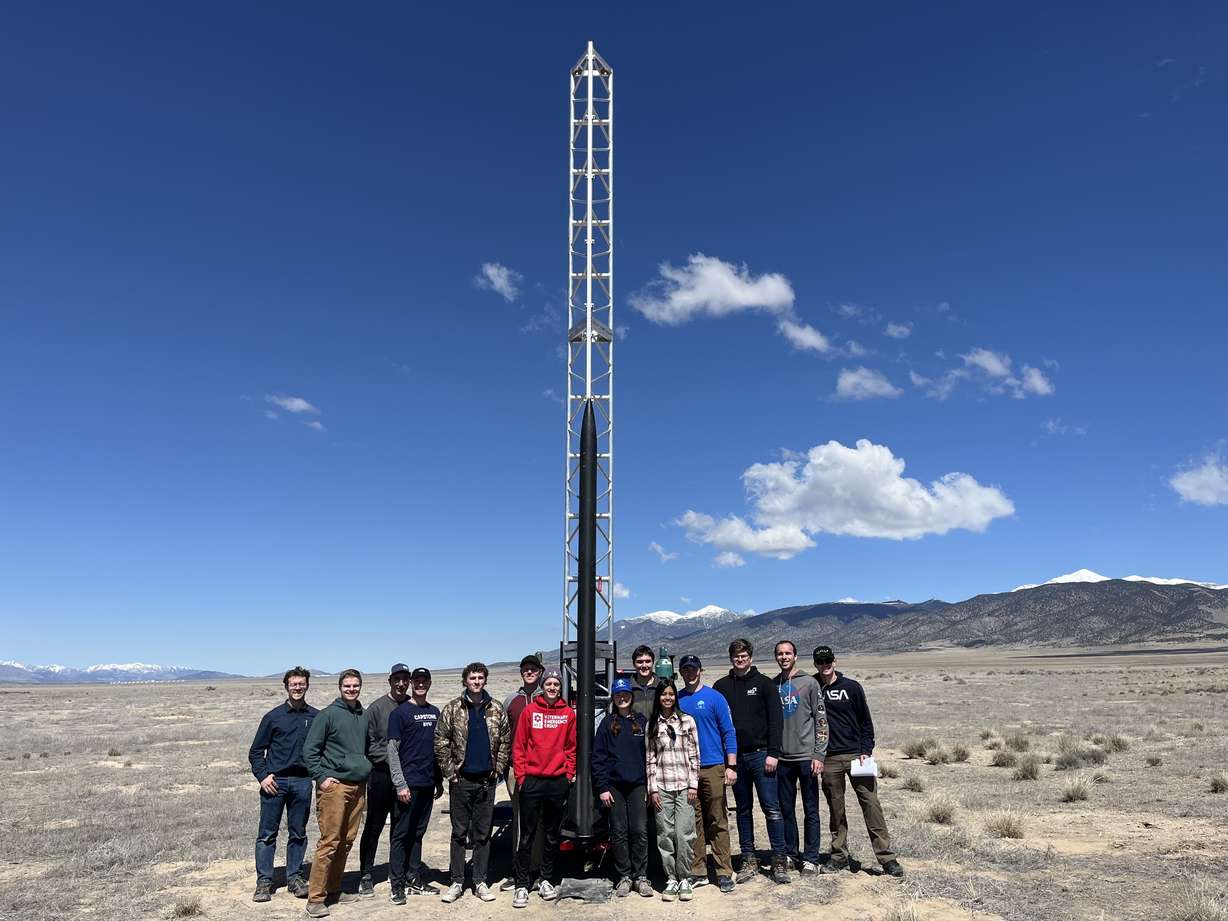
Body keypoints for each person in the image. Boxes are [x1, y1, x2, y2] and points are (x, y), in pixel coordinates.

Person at [813, 645, 904, 878]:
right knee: (836, 809)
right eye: (820, 662)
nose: (825, 665)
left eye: (828, 661)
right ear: (815, 664)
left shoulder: (851, 687)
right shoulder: (813, 687)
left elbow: (865, 721)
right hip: (829, 758)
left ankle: (886, 857)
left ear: (835, 662)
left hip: (856, 756)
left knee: (871, 805)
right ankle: (838, 856)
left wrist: (866, 749)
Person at [434, 662, 511, 903]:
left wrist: (497, 770)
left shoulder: (496, 709)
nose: (476, 682)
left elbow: (505, 742)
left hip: (486, 782)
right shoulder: (453, 709)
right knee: (459, 833)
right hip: (461, 780)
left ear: (485, 681)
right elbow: (440, 740)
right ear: (465, 681)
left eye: (480, 678)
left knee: (482, 834)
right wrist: (450, 772)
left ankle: (480, 881)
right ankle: (457, 880)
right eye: (472, 678)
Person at [714, 638, 789, 884]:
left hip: (761, 755)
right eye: (736, 656)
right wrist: (727, 761)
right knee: (743, 810)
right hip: (736, 758)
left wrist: (773, 753)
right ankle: (749, 859)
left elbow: (776, 721)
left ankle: (779, 860)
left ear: (751, 657)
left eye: (744, 655)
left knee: (771, 807)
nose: (740, 659)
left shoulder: (765, 684)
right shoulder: (721, 686)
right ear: (731, 658)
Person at [301, 669, 372, 918]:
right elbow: (310, 750)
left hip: (358, 786)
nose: (351, 689)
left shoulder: (363, 715)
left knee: (347, 840)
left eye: (355, 685)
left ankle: (334, 888)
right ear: (340, 688)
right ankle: (315, 898)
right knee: (329, 841)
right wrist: (321, 777)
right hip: (335, 787)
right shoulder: (328, 715)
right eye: (347, 686)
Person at [248, 666, 319, 902]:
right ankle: (264, 882)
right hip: (274, 783)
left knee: (298, 833)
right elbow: (256, 751)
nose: (297, 687)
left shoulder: (315, 717)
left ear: (307, 685)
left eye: (301, 684)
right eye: (293, 684)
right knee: (267, 834)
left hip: (302, 782)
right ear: (286, 687)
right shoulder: (273, 717)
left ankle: (295, 878)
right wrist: (263, 776)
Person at [510, 667, 577, 908]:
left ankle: (546, 879)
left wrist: (568, 774)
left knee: (551, 834)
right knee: (526, 835)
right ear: (543, 686)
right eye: (548, 684)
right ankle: (521, 884)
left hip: (557, 782)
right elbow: (519, 746)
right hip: (532, 781)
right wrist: (522, 777)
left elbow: (572, 747)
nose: (552, 688)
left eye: (556, 685)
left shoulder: (568, 713)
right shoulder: (530, 711)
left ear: (560, 688)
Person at [677, 654, 738, 893]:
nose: (690, 673)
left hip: (713, 766)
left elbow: (728, 732)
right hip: (687, 769)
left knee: (717, 819)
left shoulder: (715, 698)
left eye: (693, 669)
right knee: (693, 821)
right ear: (681, 673)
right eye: (685, 670)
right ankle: (698, 870)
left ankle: (724, 870)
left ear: (700, 670)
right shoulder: (678, 699)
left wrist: (731, 765)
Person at [591, 677, 653, 898]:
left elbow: (650, 755)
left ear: (631, 696)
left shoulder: (642, 721)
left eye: (625, 694)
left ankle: (641, 877)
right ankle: (624, 877)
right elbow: (598, 758)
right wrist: (603, 787)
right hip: (614, 787)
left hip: (638, 785)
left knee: (639, 831)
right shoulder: (607, 724)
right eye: (618, 695)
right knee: (619, 832)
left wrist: (649, 785)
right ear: (614, 698)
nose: (622, 697)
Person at [386, 667, 443, 903]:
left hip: (427, 783)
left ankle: (413, 878)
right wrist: (400, 784)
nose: (420, 684)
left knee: (418, 833)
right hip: (407, 785)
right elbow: (392, 750)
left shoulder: (434, 712)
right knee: (401, 834)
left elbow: (437, 750)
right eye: (416, 681)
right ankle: (396, 884)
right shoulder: (400, 714)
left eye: (424, 681)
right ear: (411, 684)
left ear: (429, 683)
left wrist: (438, 780)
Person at [772, 640, 828, 875]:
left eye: (788, 653)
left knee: (810, 809)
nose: (784, 657)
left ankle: (811, 858)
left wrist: (819, 754)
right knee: (786, 810)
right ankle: (790, 853)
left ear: (795, 656)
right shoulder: (773, 685)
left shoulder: (810, 683)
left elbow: (821, 720)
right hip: (782, 759)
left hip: (807, 757)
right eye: (780, 654)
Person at [357, 664, 412, 897]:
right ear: (390, 681)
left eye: (405, 679)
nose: (401, 683)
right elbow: (369, 745)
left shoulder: (412, 706)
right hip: (381, 775)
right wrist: (393, 759)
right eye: (397, 679)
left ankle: (397, 872)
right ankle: (366, 874)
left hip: (407, 778)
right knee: (374, 826)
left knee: (401, 828)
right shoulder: (377, 708)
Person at [645, 682, 699, 903]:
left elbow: (695, 754)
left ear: (675, 697)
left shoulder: (687, 721)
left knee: (684, 833)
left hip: (685, 786)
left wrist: (694, 784)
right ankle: (671, 878)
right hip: (662, 787)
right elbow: (650, 759)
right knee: (664, 834)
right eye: (663, 694)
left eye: (671, 694)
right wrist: (652, 789)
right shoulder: (652, 724)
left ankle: (685, 877)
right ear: (658, 698)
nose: (667, 698)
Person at [500, 655, 545, 891]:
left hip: (542, 769)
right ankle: (518, 869)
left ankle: (537, 869)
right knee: (518, 820)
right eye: (526, 669)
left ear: (540, 672)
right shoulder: (511, 701)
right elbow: (503, 735)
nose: (529, 672)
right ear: (521, 672)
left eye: (533, 669)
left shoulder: (547, 697)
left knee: (538, 820)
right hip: (516, 769)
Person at [629, 645, 664, 720]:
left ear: (653, 663)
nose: (644, 665)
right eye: (640, 662)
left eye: (648, 661)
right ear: (634, 664)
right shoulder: (627, 688)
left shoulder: (662, 687)